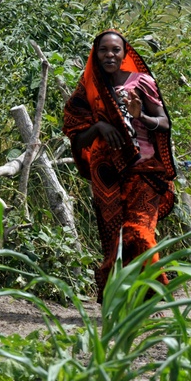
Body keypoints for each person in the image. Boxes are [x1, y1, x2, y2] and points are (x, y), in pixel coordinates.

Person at [62, 29, 177, 304]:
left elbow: (165, 123)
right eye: (104, 50)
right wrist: (99, 126)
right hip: (108, 175)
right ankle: (119, 299)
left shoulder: (142, 82)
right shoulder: (88, 88)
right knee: (115, 239)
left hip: (145, 170)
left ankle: (155, 297)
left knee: (140, 232)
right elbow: (75, 135)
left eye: (115, 50)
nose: (109, 55)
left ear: (125, 54)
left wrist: (143, 117)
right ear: (95, 54)